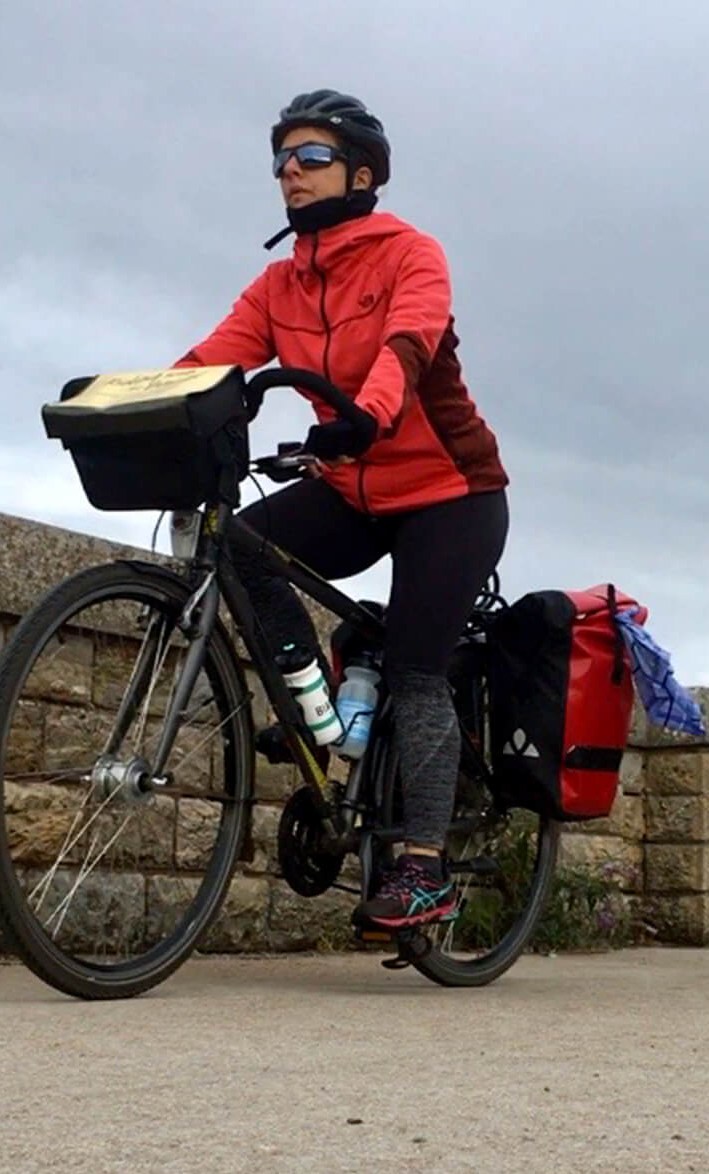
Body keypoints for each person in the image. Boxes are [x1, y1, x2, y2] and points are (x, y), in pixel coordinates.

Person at [176, 90, 508, 930]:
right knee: (240, 540)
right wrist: (137, 406)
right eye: (283, 159)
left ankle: (424, 866)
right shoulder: (280, 282)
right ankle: (315, 706)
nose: (291, 171)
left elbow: (408, 344)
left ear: (361, 172)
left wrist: (367, 413)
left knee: (416, 668)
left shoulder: (410, 254)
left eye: (311, 156)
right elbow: (209, 361)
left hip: (451, 494)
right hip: (351, 486)